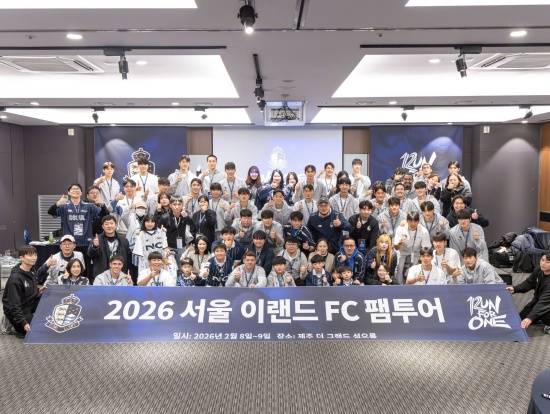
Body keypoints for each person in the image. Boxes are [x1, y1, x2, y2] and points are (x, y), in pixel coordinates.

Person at [2, 246, 43, 336]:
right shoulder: (15, 279)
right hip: (17, 310)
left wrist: (39, 291)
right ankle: (10, 323)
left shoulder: (32, 271)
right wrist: (23, 322)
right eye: (30, 255)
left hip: (29, 304)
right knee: (36, 331)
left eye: (35, 255)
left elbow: (28, 291)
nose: (34, 258)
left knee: (48, 297)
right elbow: (14, 305)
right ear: (21, 258)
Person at [507, 253, 550, 329]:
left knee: (544, 317)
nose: (543, 263)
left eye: (547, 262)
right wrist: (515, 289)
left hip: (546, 303)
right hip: (539, 300)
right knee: (521, 318)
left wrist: (530, 318)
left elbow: (544, 303)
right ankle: (538, 317)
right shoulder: (539, 270)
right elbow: (529, 283)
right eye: (542, 260)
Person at [393, 211, 431, 284]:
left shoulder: (424, 231)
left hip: (416, 254)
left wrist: (421, 260)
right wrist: (400, 242)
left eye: (415, 221)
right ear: (407, 221)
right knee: (399, 269)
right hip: (402, 254)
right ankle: (399, 287)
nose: (413, 224)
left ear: (418, 221)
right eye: (410, 221)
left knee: (414, 272)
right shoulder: (401, 229)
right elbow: (396, 247)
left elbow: (426, 249)